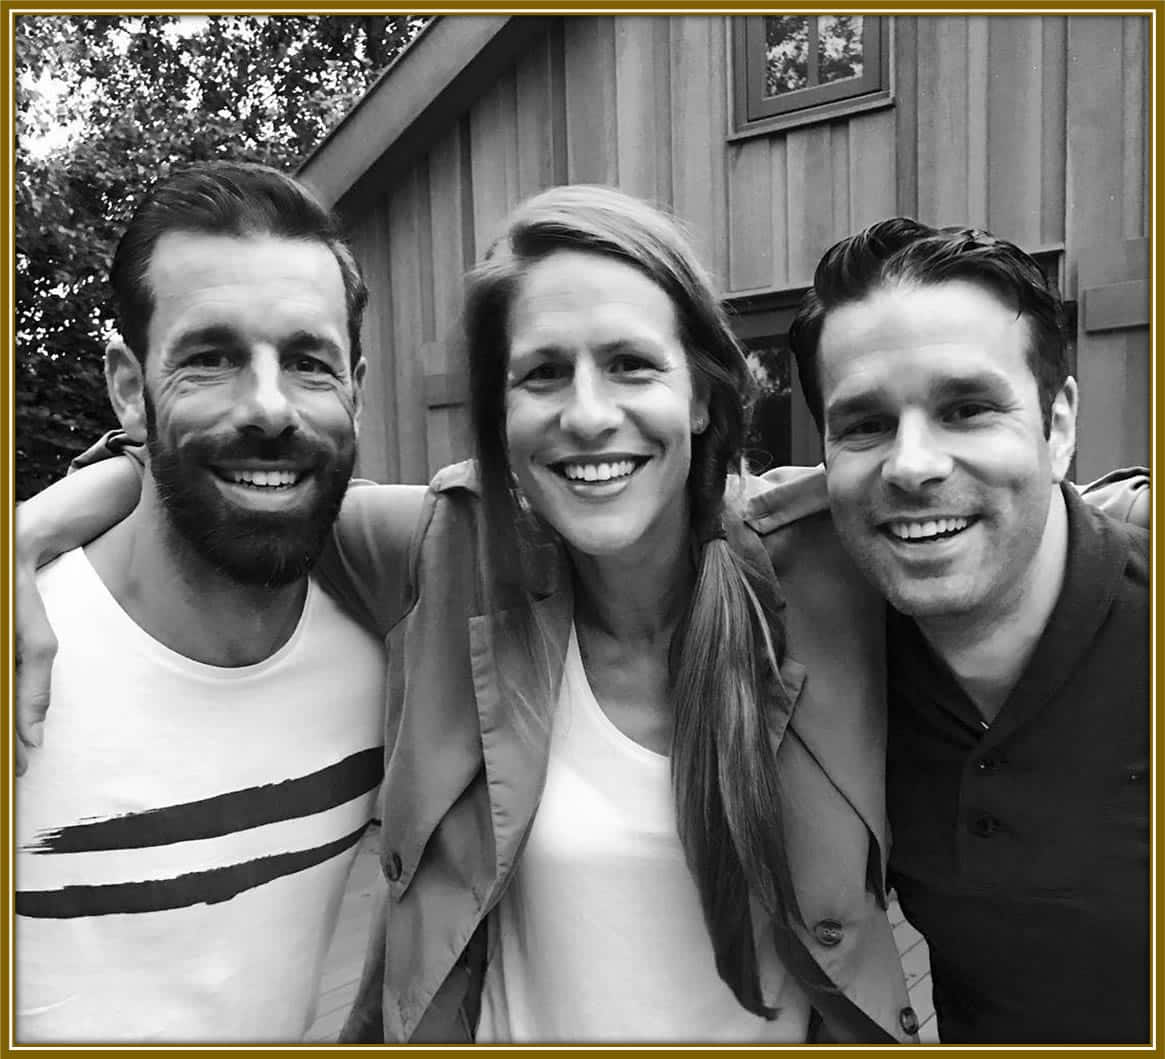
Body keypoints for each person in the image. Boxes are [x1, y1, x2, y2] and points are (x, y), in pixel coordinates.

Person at [16, 185, 919, 1043]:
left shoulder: (835, 557)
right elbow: (256, 473)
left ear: (699, 394)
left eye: (630, 364)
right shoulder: (446, 552)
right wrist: (29, 534)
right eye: (541, 374)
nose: (589, 414)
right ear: (497, 413)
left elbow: (1021, 522)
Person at [12, 161, 396, 1042]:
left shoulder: (391, 634)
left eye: (307, 361)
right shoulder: (26, 654)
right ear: (126, 385)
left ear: (357, 388)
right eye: (210, 357)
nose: (269, 408)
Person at [784, 218, 1151, 1043]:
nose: (911, 465)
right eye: (864, 424)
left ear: (1057, 425)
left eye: (966, 408)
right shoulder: (832, 649)